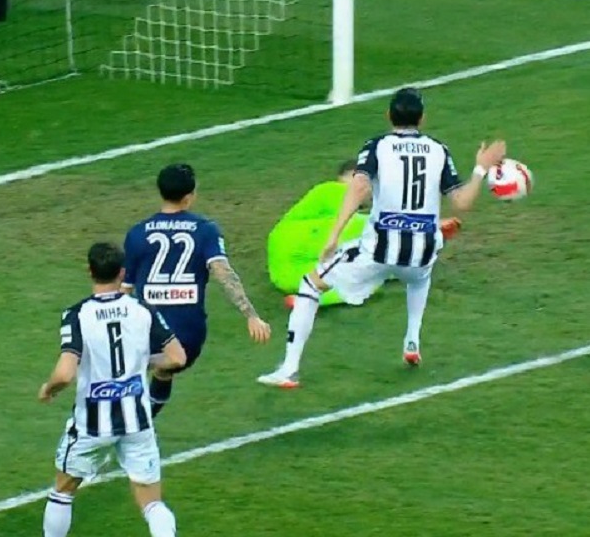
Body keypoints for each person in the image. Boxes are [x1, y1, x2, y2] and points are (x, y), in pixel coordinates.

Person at [257, 87, 506, 389]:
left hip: (377, 251)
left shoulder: (377, 147)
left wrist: (334, 235)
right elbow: (462, 203)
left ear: (388, 115)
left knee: (310, 285)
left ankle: (289, 370)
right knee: (419, 275)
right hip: (421, 251)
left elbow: (359, 187)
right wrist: (481, 168)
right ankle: (412, 340)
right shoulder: (439, 150)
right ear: (422, 119)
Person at [38, 242, 186, 537]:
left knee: (63, 491)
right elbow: (177, 358)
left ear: (89, 271)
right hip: (137, 422)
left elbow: (65, 373)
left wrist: (48, 388)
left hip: (91, 424)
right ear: (122, 273)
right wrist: (144, 362)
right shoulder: (143, 309)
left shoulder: (77, 314)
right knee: (152, 502)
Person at [122, 163, 271, 418]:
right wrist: (251, 315)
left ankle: (124, 409)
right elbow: (223, 273)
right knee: (165, 370)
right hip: (188, 334)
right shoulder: (205, 229)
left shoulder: (137, 233)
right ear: (190, 196)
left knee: (133, 372)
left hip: (145, 330)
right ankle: (140, 422)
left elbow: (123, 290)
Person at [267, 160, 462, 308]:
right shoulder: (331, 190)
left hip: (287, 276)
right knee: (364, 229)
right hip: (295, 244)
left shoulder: (337, 210)